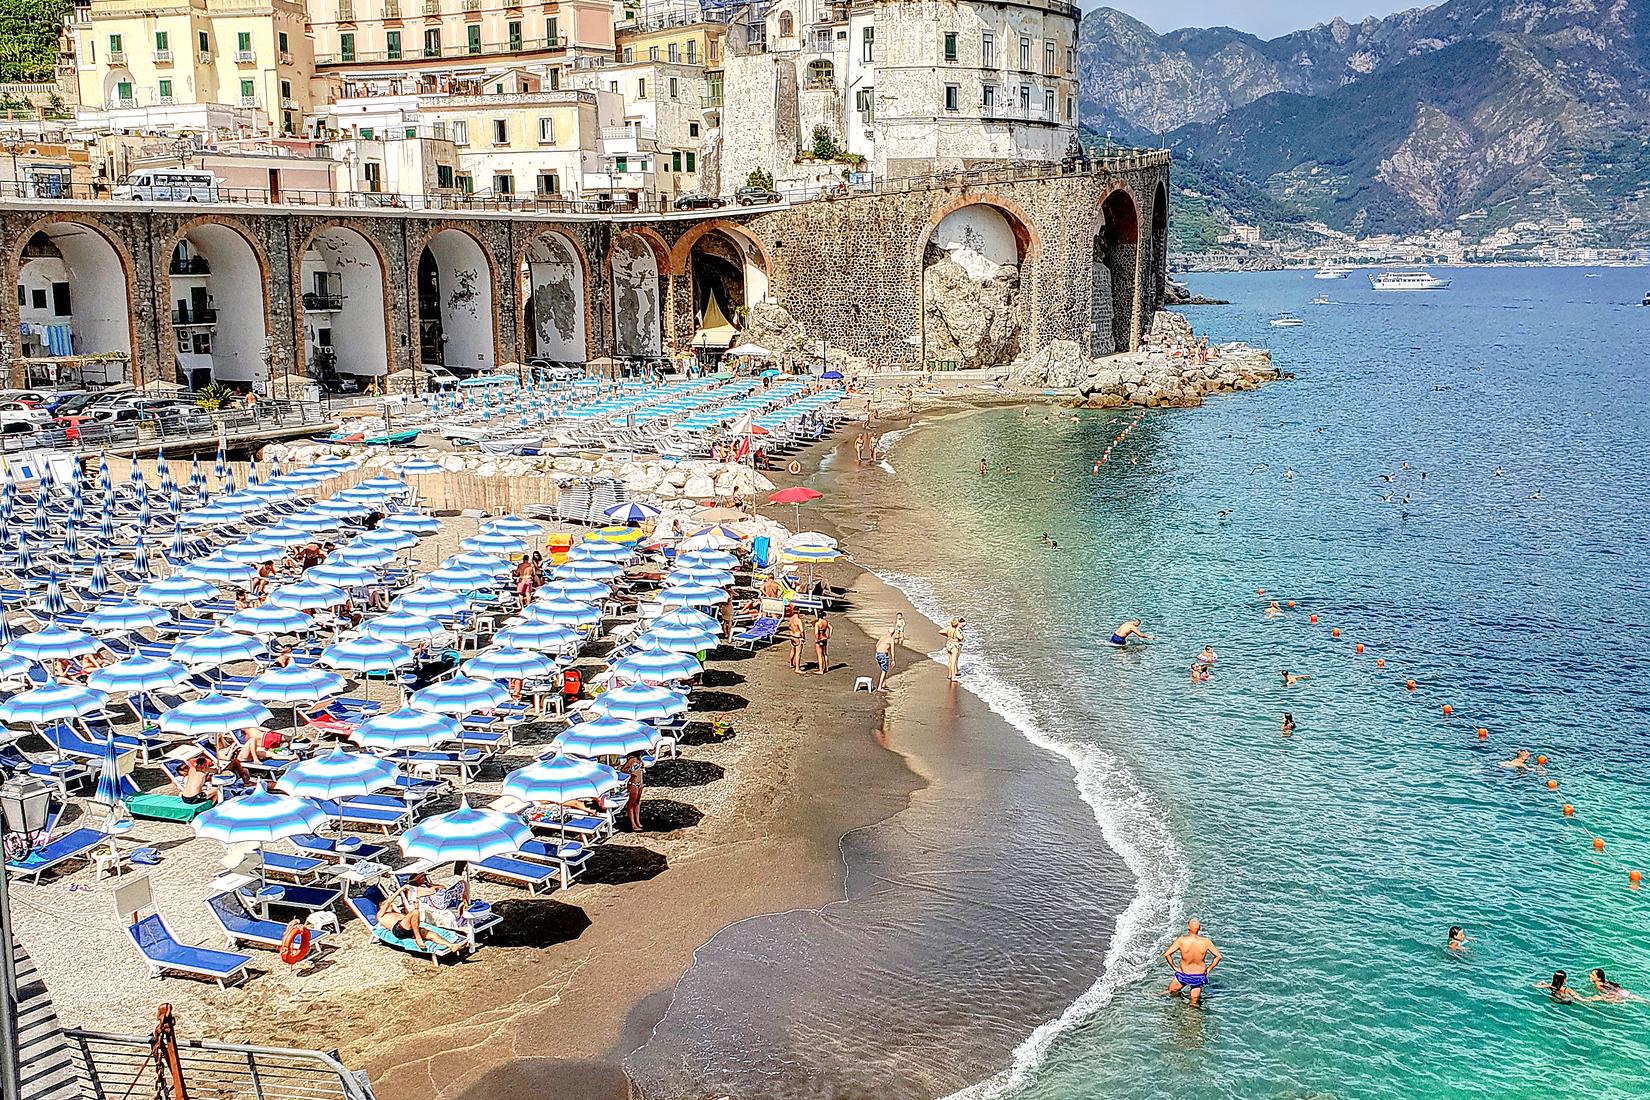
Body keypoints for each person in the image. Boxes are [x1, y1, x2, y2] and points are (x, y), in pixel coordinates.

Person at [1163, 919, 1222, 1006]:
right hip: (1198, 976)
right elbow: (1218, 957)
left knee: (1171, 992)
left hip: (1183, 974)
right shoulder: (1206, 942)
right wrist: (1208, 969)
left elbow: (1167, 954)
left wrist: (1174, 967)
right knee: (1194, 1002)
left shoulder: (1181, 940)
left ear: (1188, 928)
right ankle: (1193, 1018)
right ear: (1199, 929)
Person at [621, 751, 645, 832]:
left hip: (639, 783)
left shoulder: (639, 759)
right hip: (633, 783)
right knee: (631, 804)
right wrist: (631, 772)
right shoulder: (632, 759)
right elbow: (623, 769)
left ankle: (637, 821)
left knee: (637, 802)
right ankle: (633, 824)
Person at [788, 610, 806, 674]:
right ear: (798, 611)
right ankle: (797, 669)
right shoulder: (798, 620)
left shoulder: (791, 618)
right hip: (797, 636)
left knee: (793, 650)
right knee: (798, 653)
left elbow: (789, 627)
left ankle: (791, 663)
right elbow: (802, 630)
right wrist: (803, 637)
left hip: (791, 635)